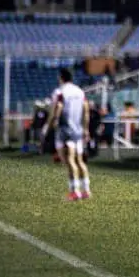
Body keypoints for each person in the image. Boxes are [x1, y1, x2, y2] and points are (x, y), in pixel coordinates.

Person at [48, 69, 91, 201]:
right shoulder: (79, 91)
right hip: (77, 130)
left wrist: (50, 123)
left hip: (65, 130)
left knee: (69, 161)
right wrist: (85, 129)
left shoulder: (60, 92)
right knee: (79, 161)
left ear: (61, 77)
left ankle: (75, 191)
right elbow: (86, 111)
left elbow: (58, 107)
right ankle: (86, 190)